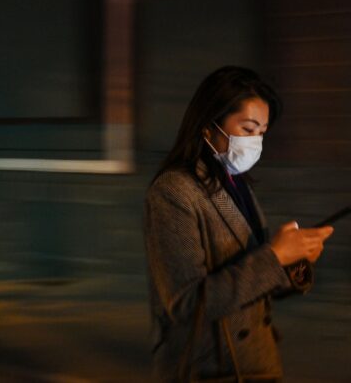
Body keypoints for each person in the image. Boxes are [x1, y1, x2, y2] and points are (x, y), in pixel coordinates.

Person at [143, 66, 334, 382]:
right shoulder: (174, 192)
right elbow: (187, 304)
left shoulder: (235, 183)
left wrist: (293, 261)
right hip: (210, 367)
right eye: (248, 129)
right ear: (208, 126)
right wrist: (274, 257)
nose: (256, 142)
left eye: (262, 132)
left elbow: (252, 276)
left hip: (253, 360)